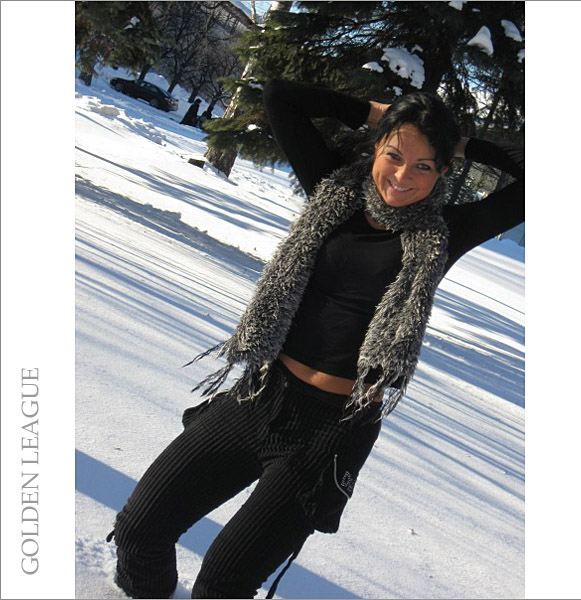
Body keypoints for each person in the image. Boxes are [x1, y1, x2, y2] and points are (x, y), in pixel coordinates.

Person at [107, 78, 524, 599]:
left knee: (223, 582)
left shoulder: (447, 231)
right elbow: (281, 97)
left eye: (423, 166)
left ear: (442, 172)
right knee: (140, 529)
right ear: (378, 147)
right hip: (260, 394)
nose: (402, 176)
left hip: (332, 428)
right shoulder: (335, 192)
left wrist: (457, 142)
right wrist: (387, 115)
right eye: (395, 155)